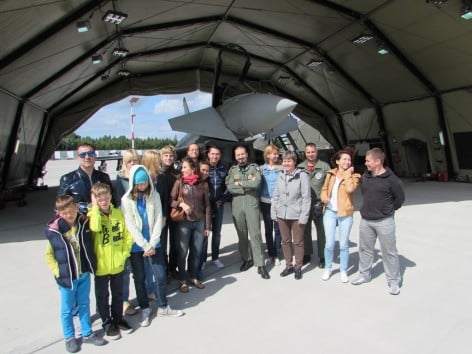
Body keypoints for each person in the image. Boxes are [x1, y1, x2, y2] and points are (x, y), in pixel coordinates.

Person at [121, 165, 183, 327]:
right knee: (140, 279)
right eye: (139, 184)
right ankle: (145, 309)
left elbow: (158, 220)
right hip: (137, 245)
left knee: (161, 275)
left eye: (145, 183)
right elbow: (131, 225)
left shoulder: (154, 196)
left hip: (154, 243)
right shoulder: (126, 200)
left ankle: (163, 306)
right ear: (133, 183)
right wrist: (144, 244)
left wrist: (153, 243)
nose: (142, 186)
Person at [45, 195, 107, 353]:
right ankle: (69, 337)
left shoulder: (82, 222)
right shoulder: (55, 231)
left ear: (76, 208)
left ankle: (87, 333)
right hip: (67, 278)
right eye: (65, 213)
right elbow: (49, 255)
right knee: (67, 309)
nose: (70, 215)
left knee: (84, 304)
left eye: (72, 211)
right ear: (59, 213)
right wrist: (58, 272)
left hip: (83, 274)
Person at [351, 148, 405, 295]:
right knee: (365, 249)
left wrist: (389, 209)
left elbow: (400, 198)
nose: (365, 163)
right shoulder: (366, 176)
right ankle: (364, 274)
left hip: (384, 221)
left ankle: (394, 281)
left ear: (378, 162)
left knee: (389, 252)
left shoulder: (392, 179)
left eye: (368, 161)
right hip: (366, 221)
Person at [87, 183, 133, 340]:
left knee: (118, 293)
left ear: (110, 196)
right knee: (102, 296)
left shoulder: (118, 214)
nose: (103, 199)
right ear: (94, 199)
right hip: (101, 265)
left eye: (105, 195)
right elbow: (94, 227)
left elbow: (127, 235)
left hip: (118, 263)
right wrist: (95, 209)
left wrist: (124, 253)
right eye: (99, 196)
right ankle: (107, 323)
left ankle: (118, 318)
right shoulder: (92, 215)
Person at [225, 145, 270, 279]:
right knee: (242, 233)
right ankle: (247, 258)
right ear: (235, 156)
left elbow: (256, 183)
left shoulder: (254, 168)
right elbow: (229, 187)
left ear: (246, 155)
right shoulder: (233, 170)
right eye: (238, 155)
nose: (240, 157)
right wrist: (244, 187)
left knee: (255, 233)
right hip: (237, 205)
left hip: (251, 203)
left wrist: (241, 184)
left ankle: (260, 264)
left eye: (242, 154)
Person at [170, 157, 211, 292]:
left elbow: (207, 207)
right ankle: (182, 280)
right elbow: (171, 200)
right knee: (182, 253)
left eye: (185, 167)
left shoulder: (202, 184)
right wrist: (181, 203)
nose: (182, 170)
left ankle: (193, 277)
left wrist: (207, 226)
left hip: (199, 223)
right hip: (184, 224)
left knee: (196, 252)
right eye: (182, 168)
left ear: (193, 169)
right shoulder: (179, 182)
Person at [320, 150, 361, 283]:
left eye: (349, 160)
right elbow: (324, 188)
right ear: (337, 161)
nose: (347, 162)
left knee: (344, 244)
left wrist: (348, 173)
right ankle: (328, 268)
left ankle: (343, 270)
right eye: (344, 159)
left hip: (346, 213)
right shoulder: (330, 174)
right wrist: (324, 197)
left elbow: (350, 189)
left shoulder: (355, 176)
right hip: (330, 212)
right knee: (329, 243)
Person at [271, 151, 311, 280]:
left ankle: (298, 267)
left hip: (296, 214)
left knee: (298, 242)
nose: (286, 163)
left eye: (289, 161)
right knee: (285, 241)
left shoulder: (302, 176)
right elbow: (276, 195)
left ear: (294, 162)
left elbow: (306, 198)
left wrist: (304, 216)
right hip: (282, 214)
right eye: (285, 161)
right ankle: (288, 265)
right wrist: (274, 211)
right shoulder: (280, 175)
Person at [114, 149, 140, 316]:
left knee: (142, 266)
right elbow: (118, 204)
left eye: (136, 160)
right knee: (125, 268)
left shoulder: (141, 177)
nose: (133, 163)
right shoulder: (120, 180)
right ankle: (124, 301)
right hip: (126, 228)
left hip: (141, 227)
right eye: (130, 161)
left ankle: (147, 292)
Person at [141, 150, 169, 300]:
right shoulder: (142, 178)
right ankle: (149, 287)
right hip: (145, 223)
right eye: (157, 159)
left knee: (159, 252)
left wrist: (164, 217)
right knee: (146, 255)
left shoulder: (162, 178)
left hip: (159, 221)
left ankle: (160, 283)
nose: (160, 162)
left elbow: (164, 199)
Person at [298, 143, 330, 267]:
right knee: (305, 230)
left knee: (321, 230)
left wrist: (325, 201)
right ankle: (306, 254)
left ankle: (322, 256)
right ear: (305, 153)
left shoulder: (324, 167)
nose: (311, 154)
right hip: (304, 204)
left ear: (317, 152)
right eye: (308, 152)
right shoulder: (300, 167)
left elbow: (329, 185)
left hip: (318, 203)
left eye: (313, 152)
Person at [58, 143, 113, 214]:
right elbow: (61, 206)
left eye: (90, 154)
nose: (87, 157)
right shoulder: (67, 179)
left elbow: (112, 200)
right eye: (82, 155)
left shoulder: (104, 177)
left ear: (95, 156)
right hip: (80, 221)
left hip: (104, 221)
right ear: (78, 158)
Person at [202, 145, 230, 269]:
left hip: (218, 205)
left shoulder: (224, 167)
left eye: (217, 154)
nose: (215, 156)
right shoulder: (204, 167)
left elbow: (229, 185)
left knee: (217, 233)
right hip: (206, 206)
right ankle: (202, 260)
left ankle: (215, 257)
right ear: (208, 154)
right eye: (212, 154)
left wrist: (222, 199)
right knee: (205, 233)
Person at [160, 145, 181, 278]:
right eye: (166, 155)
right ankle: (164, 270)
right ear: (161, 157)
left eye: (171, 156)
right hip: (161, 213)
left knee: (175, 243)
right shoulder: (157, 174)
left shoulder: (177, 174)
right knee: (162, 244)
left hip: (174, 213)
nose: (169, 158)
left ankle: (173, 268)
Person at [260, 144, 282, 265]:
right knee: (268, 230)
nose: (276, 155)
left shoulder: (282, 168)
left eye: (277, 153)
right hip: (265, 202)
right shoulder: (261, 169)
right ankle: (271, 254)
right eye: (274, 153)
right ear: (268, 155)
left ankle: (277, 253)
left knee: (278, 230)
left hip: (278, 203)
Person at [197, 160, 211, 278]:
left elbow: (207, 207)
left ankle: (198, 269)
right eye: (203, 170)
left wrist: (207, 226)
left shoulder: (207, 184)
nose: (205, 172)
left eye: (207, 171)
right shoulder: (190, 182)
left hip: (203, 220)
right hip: (191, 220)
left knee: (201, 247)